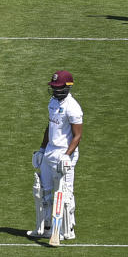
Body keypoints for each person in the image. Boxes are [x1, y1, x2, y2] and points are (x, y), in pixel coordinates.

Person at [28, 70, 82, 241]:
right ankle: (46, 227)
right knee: (44, 191)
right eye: (54, 87)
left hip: (64, 153)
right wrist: (42, 149)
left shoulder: (73, 107)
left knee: (65, 193)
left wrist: (67, 156)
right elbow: (50, 127)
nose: (55, 91)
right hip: (50, 151)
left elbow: (77, 136)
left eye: (58, 87)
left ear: (67, 87)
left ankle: (68, 229)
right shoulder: (52, 102)